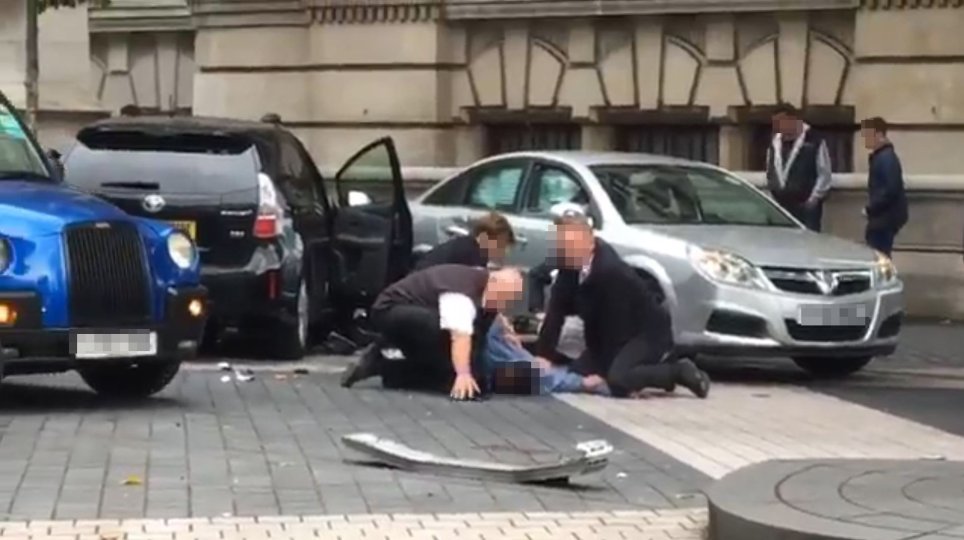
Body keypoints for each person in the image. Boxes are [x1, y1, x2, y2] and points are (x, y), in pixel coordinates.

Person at [535, 212, 711, 399]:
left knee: (618, 381)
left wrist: (604, 374)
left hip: (646, 332)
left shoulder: (610, 271)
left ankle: (677, 371)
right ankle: (633, 373)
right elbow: (556, 312)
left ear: (589, 242)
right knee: (577, 372)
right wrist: (544, 355)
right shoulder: (568, 267)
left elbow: (615, 328)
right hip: (608, 335)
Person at [340, 265, 524, 400]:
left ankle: (387, 369)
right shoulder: (461, 295)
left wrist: (475, 375)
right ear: (492, 284)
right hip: (392, 310)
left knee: (476, 383)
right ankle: (383, 347)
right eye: (504, 296)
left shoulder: (489, 294)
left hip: (427, 314)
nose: (506, 303)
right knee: (446, 341)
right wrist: (462, 374)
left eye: (510, 299)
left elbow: (478, 339)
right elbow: (460, 336)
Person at [766, 103, 833, 231]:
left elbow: (824, 173)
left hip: (805, 205)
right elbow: (770, 169)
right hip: (781, 206)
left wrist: (813, 199)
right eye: (776, 124)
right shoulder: (774, 142)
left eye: (781, 123)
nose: (778, 127)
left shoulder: (814, 140)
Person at [860, 117, 908, 257]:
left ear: (879, 135)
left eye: (868, 135)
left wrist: (870, 208)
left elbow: (890, 189)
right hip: (883, 217)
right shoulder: (882, 157)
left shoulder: (886, 158)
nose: (865, 139)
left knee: (879, 254)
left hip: (884, 217)